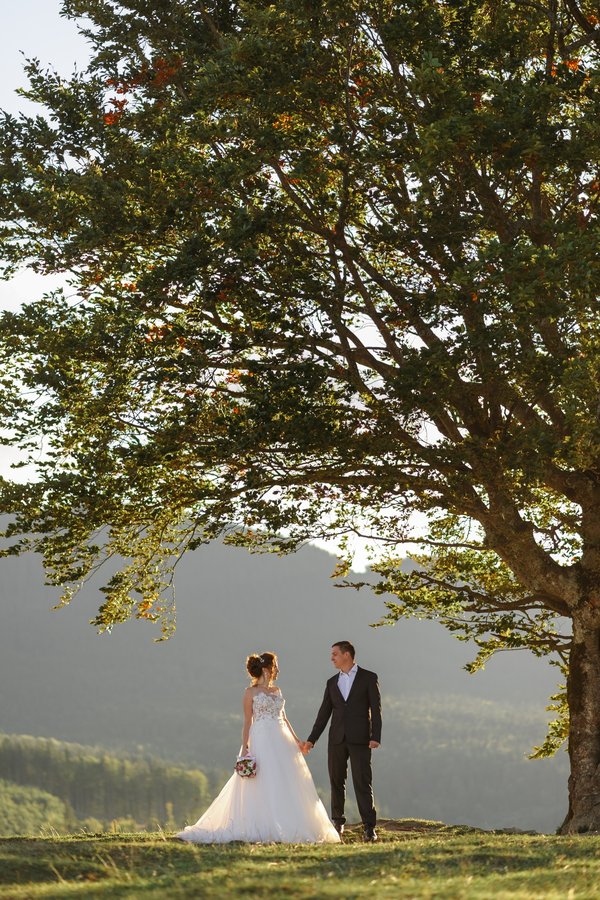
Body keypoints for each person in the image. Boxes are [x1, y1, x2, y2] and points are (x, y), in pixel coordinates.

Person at [176, 652, 340, 844]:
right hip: (261, 738)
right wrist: (245, 748)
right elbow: (247, 722)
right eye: (275, 665)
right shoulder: (250, 692)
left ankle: (288, 822)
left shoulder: (277, 690)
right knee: (263, 778)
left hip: (282, 739)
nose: (277, 669)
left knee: (286, 778)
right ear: (266, 669)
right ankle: (264, 823)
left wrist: (297, 741)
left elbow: (284, 718)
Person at [302, 641, 381, 842]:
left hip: (361, 739)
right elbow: (323, 714)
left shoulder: (368, 678)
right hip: (336, 739)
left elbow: (376, 709)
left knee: (362, 782)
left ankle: (369, 827)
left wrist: (375, 736)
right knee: (336, 781)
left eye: (335, 654)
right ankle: (337, 822)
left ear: (346, 654)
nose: (332, 658)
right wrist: (312, 739)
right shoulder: (331, 682)